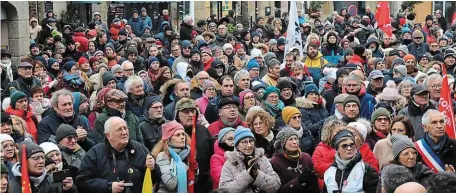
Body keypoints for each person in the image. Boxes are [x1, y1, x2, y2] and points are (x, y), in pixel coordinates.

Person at [76, 117, 159, 193]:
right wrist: (108, 186)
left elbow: (157, 178)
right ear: (108, 135)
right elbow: (82, 182)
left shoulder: (139, 148)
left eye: (126, 128)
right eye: (119, 129)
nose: (124, 132)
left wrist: (152, 168)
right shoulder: (95, 153)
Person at [218, 126, 281, 193]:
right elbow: (224, 190)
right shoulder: (230, 163)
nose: (249, 145)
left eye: (251, 141)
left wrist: (257, 175)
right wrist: (247, 175)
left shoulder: (262, 159)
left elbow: (276, 185)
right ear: (237, 145)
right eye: (244, 142)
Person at [173, 98, 213, 192]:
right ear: (178, 115)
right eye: (186, 112)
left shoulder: (203, 130)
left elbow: (212, 154)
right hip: (180, 184)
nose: (191, 115)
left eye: (193, 111)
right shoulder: (172, 132)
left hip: (203, 183)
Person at [9, 140, 76, 193]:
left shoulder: (52, 180)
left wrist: (67, 190)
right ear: (23, 161)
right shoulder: (10, 186)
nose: (41, 161)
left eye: (43, 157)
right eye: (36, 158)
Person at [270, 126, 319, 193]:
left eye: (296, 138)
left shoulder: (306, 157)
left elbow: (315, 184)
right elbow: (279, 190)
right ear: (282, 143)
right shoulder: (275, 162)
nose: (294, 142)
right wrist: (298, 181)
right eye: (290, 139)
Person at [151, 121, 197, 193]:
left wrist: (195, 170)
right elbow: (171, 184)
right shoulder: (163, 156)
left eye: (183, 134)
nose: (182, 137)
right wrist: (184, 166)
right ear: (169, 140)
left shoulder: (187, 154)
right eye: (178, 135)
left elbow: (191, 182)